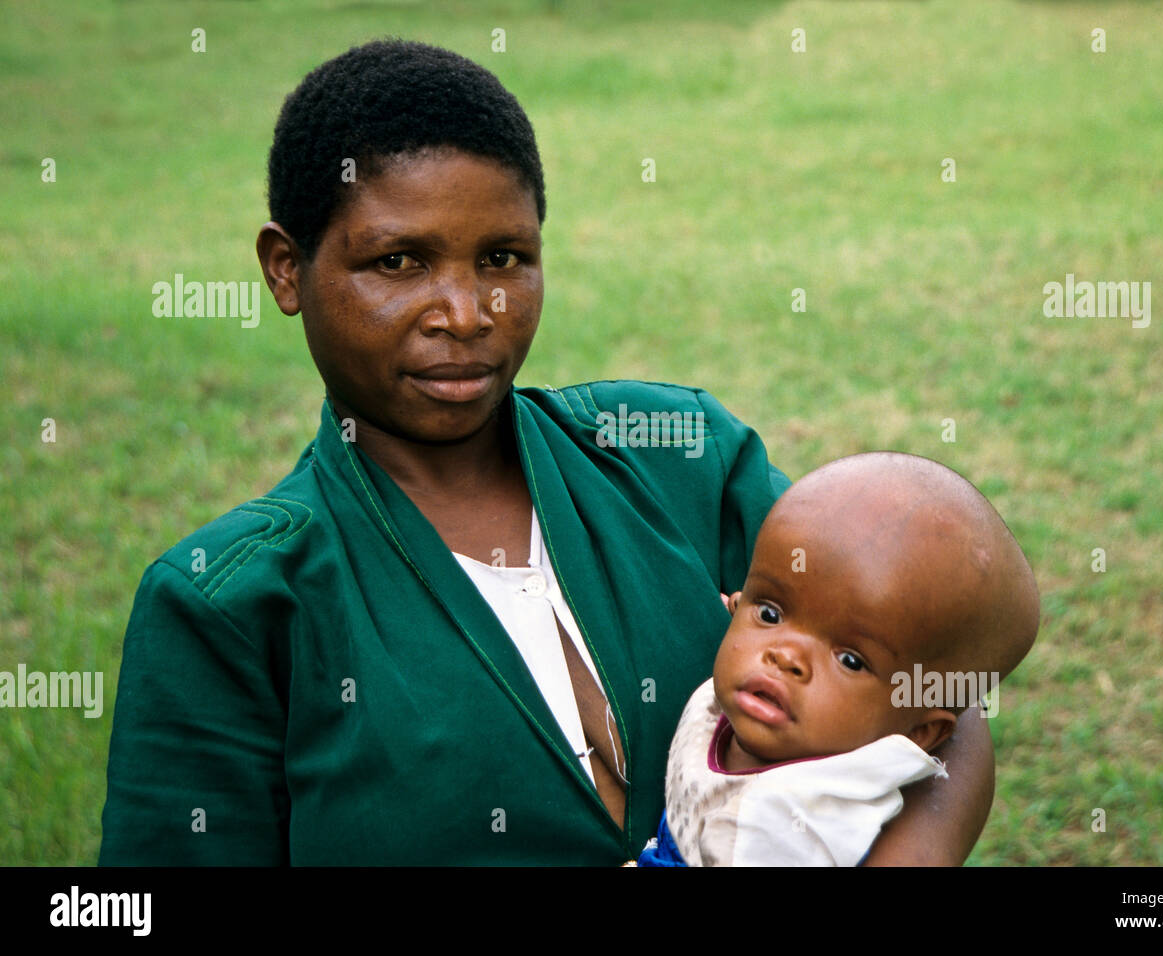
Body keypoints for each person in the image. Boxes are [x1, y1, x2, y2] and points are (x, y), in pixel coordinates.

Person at [99, 40, 994, 865]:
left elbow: (934, 680)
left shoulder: (677, 456)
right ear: (286, 269)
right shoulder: (233, 605)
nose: (466, 311)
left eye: (503, 257)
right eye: (399, 262)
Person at [638, 453, 1040, 866]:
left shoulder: (802, 831)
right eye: (771, 613)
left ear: (919, 733)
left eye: (850, 660)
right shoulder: (740, 700)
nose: (786, 655)